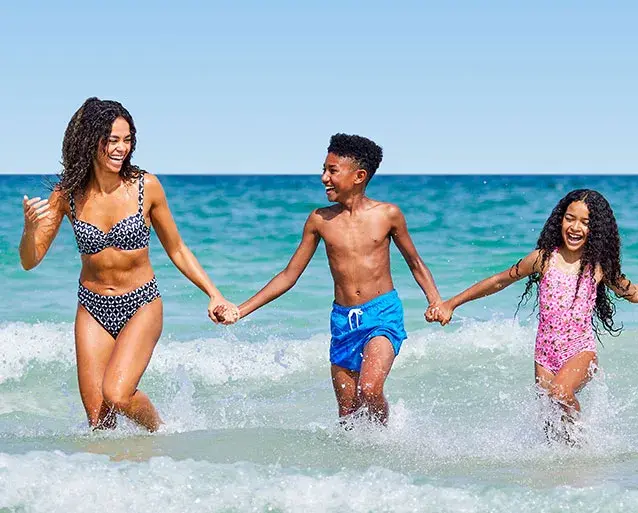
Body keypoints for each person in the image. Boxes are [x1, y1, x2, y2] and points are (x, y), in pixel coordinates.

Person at [19, 97, 237, 432]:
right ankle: (117, 477)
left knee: (118, 394)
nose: (121, 148)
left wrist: (214, 293)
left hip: (141, 303)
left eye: (127, 139)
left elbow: (177, 248)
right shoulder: (67, 195)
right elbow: (30, 261)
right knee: (99, 423)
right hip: (92, 307)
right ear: (92, 141)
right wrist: (30, 229)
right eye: (112, 140)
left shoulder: (145, 186)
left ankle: (160, 433)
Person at [426, 189, 638, 442]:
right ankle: (565, 475)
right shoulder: (542, 259)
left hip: (580, 350)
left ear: (596, 230)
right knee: (552, 428)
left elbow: (634, 292)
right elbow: (498, 281)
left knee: (561, 393)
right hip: (544, 355)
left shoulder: (597, 266)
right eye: (570, 218)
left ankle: (588, 448)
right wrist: (452, 303)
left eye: (585, 222)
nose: (575, 227)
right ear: (559, 220)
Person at [216, 133, 442, 426]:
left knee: (370, 390)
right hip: (343, 320)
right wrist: (240, 309)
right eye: (324, 169)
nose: (324, 177)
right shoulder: (319, 220)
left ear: (359, 176)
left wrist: (434, 299)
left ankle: (386, 442)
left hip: (382, 313)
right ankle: (356, 465)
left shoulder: (387, 215)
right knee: (347, 415)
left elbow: (415, 262)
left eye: (332, 171)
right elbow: (289, 275)